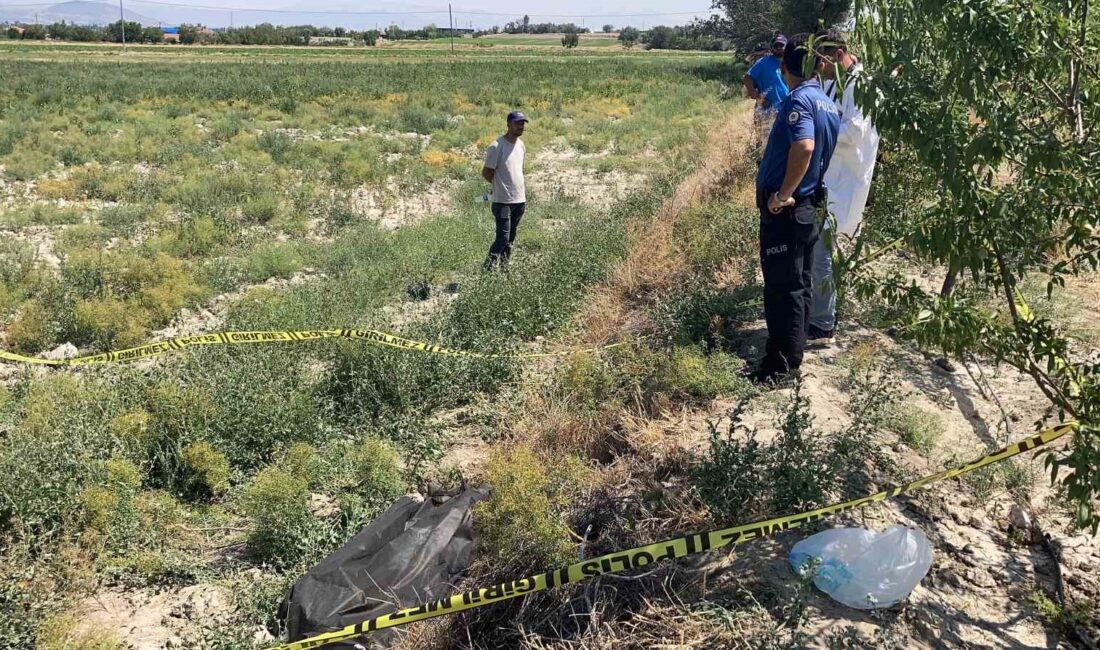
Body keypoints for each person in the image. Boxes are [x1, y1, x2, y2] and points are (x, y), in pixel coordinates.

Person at [752, 34, 840, 383]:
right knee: (801, 282)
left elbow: (803, 147)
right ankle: (795, 349)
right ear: (819, 64)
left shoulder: (798, 102)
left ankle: (780, 368)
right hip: (810, 206)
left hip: (788, 210)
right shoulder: (826, 104)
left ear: (784, 64)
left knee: (782, 287)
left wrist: (782, 194)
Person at [809, 31, 880, 341]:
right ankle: (821, 307)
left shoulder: (863, 87)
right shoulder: (831, 79)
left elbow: (852, 132)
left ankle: (823, 323)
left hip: (845, 179)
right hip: (826, 176)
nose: (818, 68)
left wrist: (818, 123)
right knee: (820, 247)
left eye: (821, 61)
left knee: (820, 248)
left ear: (837, 55)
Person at [481, 111, 528, 270]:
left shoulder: (521, 145)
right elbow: (487, 173)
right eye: (517, 123)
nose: (520, 126)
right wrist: (499, 188)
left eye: (522, 123)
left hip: (519, 201)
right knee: (502, 239)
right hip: (503, 202)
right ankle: (486, 272)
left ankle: (504, 269)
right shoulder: (496, 146)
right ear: (508, 124)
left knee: (510, 240)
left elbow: (519, 170)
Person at [743, 35, 791, 120]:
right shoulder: (763, 62)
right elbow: (747, 78)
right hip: (768, 110)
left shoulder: (790, 62)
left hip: (786, 109)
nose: (779, 48)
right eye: (776, 46)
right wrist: (758, 97)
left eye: (781, 45)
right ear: (772, 48)